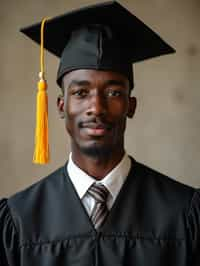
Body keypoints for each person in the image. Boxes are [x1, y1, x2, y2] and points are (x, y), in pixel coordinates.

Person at [0, 1, 199, 265]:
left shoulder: (184, 213)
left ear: (131, 105)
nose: (96, 107)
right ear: (61, 106)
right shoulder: (19, 219)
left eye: (114, 93)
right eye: (80, 93)